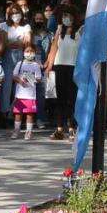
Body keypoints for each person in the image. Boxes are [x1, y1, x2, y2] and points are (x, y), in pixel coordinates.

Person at [47, 8, 80, 141]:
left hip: (73, 67)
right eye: (64, 15)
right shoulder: (59, 31)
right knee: (60, 99)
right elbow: (54, 48)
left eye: (69, 15)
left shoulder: (79, 32)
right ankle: (60, 128)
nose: (67, 18)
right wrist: (49, 65)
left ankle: (72, 127)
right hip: (59, 66)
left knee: (71, 98)